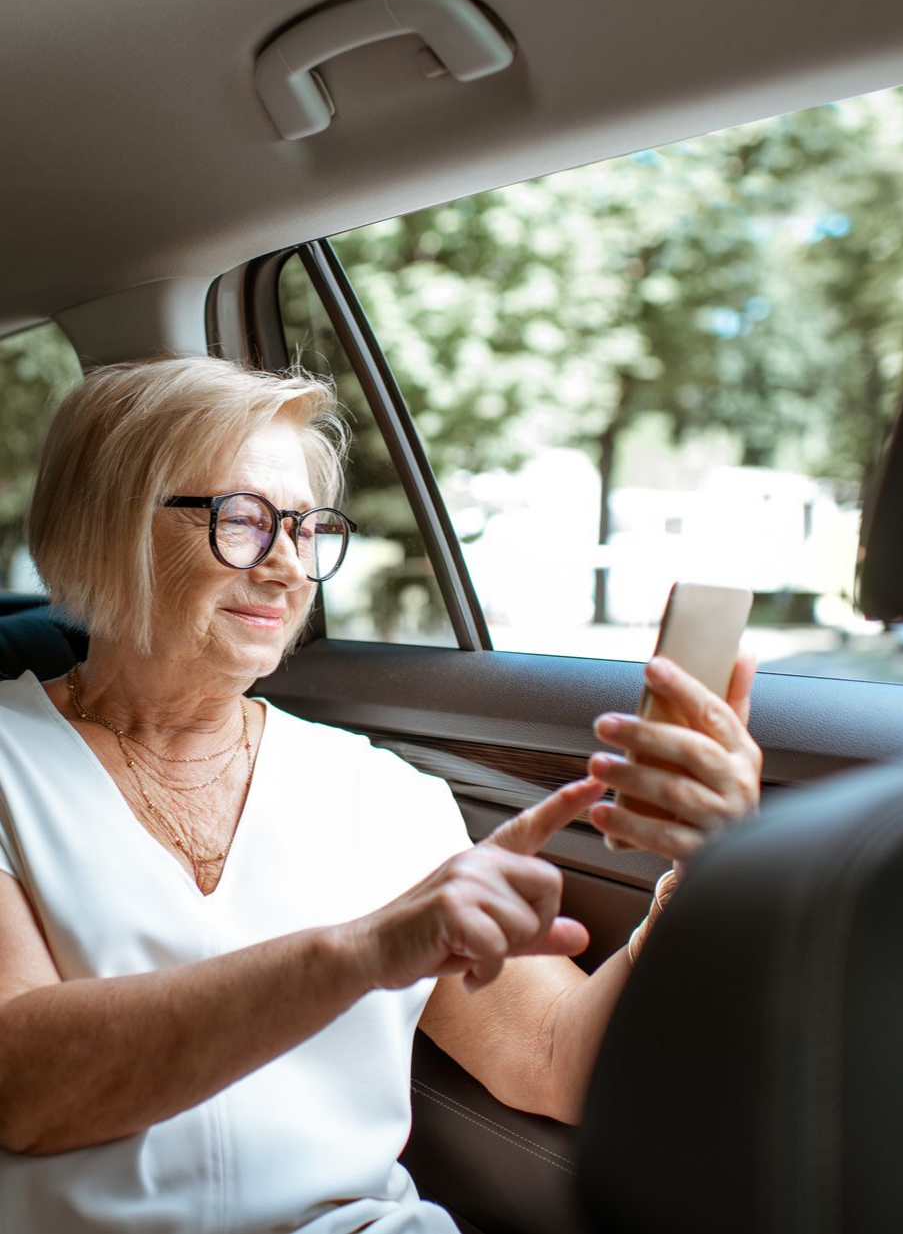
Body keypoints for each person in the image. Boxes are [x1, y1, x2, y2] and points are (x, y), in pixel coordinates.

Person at [0, 357, 762, 1234]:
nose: (289, 567)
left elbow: (556, 1060)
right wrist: (364, 951)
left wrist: (703, 875)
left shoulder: (378, 791)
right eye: (243, 520)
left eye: (307, 526)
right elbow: (25, 1089)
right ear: (104, 527)